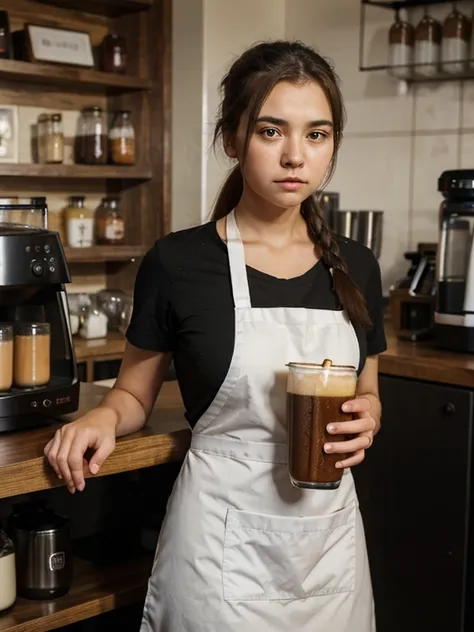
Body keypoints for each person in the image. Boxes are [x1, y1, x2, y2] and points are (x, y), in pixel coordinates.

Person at [44, 40, 386, 631]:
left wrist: (370, 416)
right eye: (271, 131)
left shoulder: (356, 264)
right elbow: (132, 394)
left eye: (316, 135)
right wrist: (101, 418)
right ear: (232, 139)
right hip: (218, 550)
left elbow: (368, 390)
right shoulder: (177, 263)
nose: (294, 157)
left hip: (328, 548)